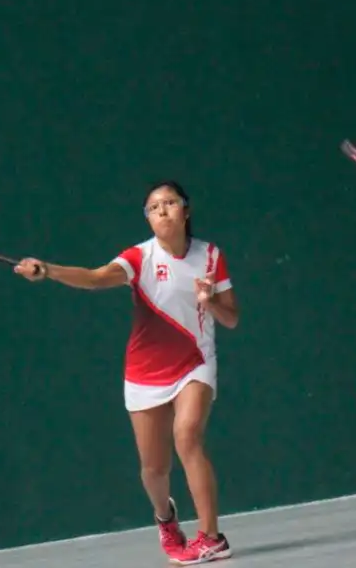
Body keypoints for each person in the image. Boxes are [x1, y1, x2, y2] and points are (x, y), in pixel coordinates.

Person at [14, 180, 239, 565]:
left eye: (170, 203)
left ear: (186, 211)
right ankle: (166, 519)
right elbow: (95, 277)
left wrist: (209, 301)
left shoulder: (210, 256)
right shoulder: (139, 258)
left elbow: (231, 318)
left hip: (195, 362)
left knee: (187, 436)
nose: (162, 211)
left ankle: (212, 537)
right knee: (154, 469)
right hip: (145, 371)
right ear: (148, 219)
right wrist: (48, 270)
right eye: (154, 207)